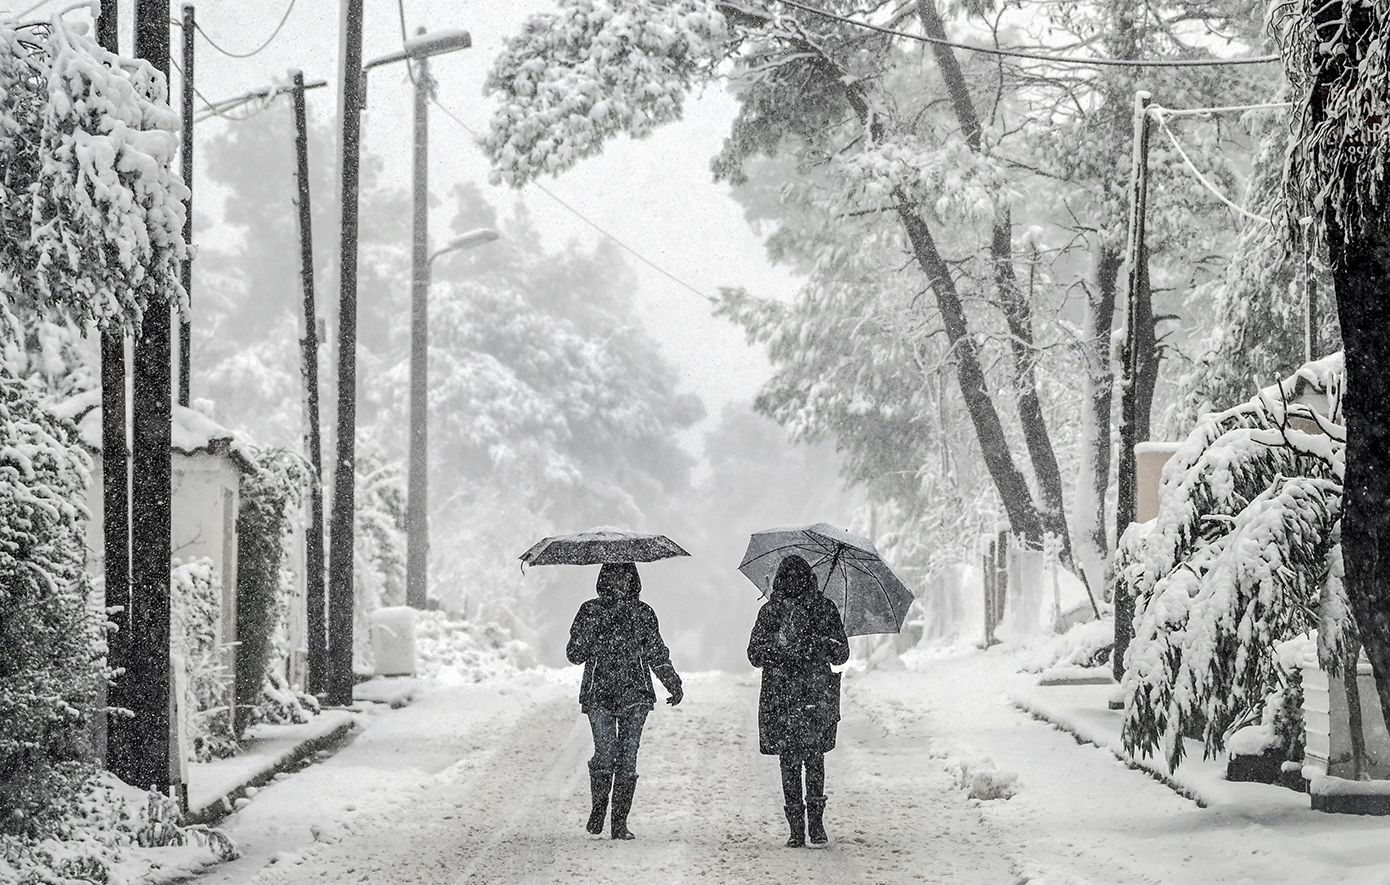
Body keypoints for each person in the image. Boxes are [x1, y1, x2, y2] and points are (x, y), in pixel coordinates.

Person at [566, 561, 683, 840]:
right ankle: (599, 807)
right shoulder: (590, 611)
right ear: (605, 580)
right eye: (614, 578)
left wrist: (672, 682)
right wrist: (594, 627)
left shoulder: (643, 613)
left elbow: (656, 652)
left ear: (633, 581)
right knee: (606, 754)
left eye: (625, 578)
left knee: (628, 759)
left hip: (636, 696)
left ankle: (619, 823)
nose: (620, 584)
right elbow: (573, 654)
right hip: (599, 695)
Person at [747, 554, 849, 848]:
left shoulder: (824, 609)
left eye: (798, 578)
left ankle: (815, 825)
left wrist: (817, 641)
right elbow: (754, 654)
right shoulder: (770, 612)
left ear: (807, 579)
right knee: (789, 761)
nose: (793, 584)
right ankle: (796, 828)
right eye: (787, 578)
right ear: (780, 580)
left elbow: (842, 652)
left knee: (815, 758)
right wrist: (778, 648)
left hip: (814, 696)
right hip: (781, 698)